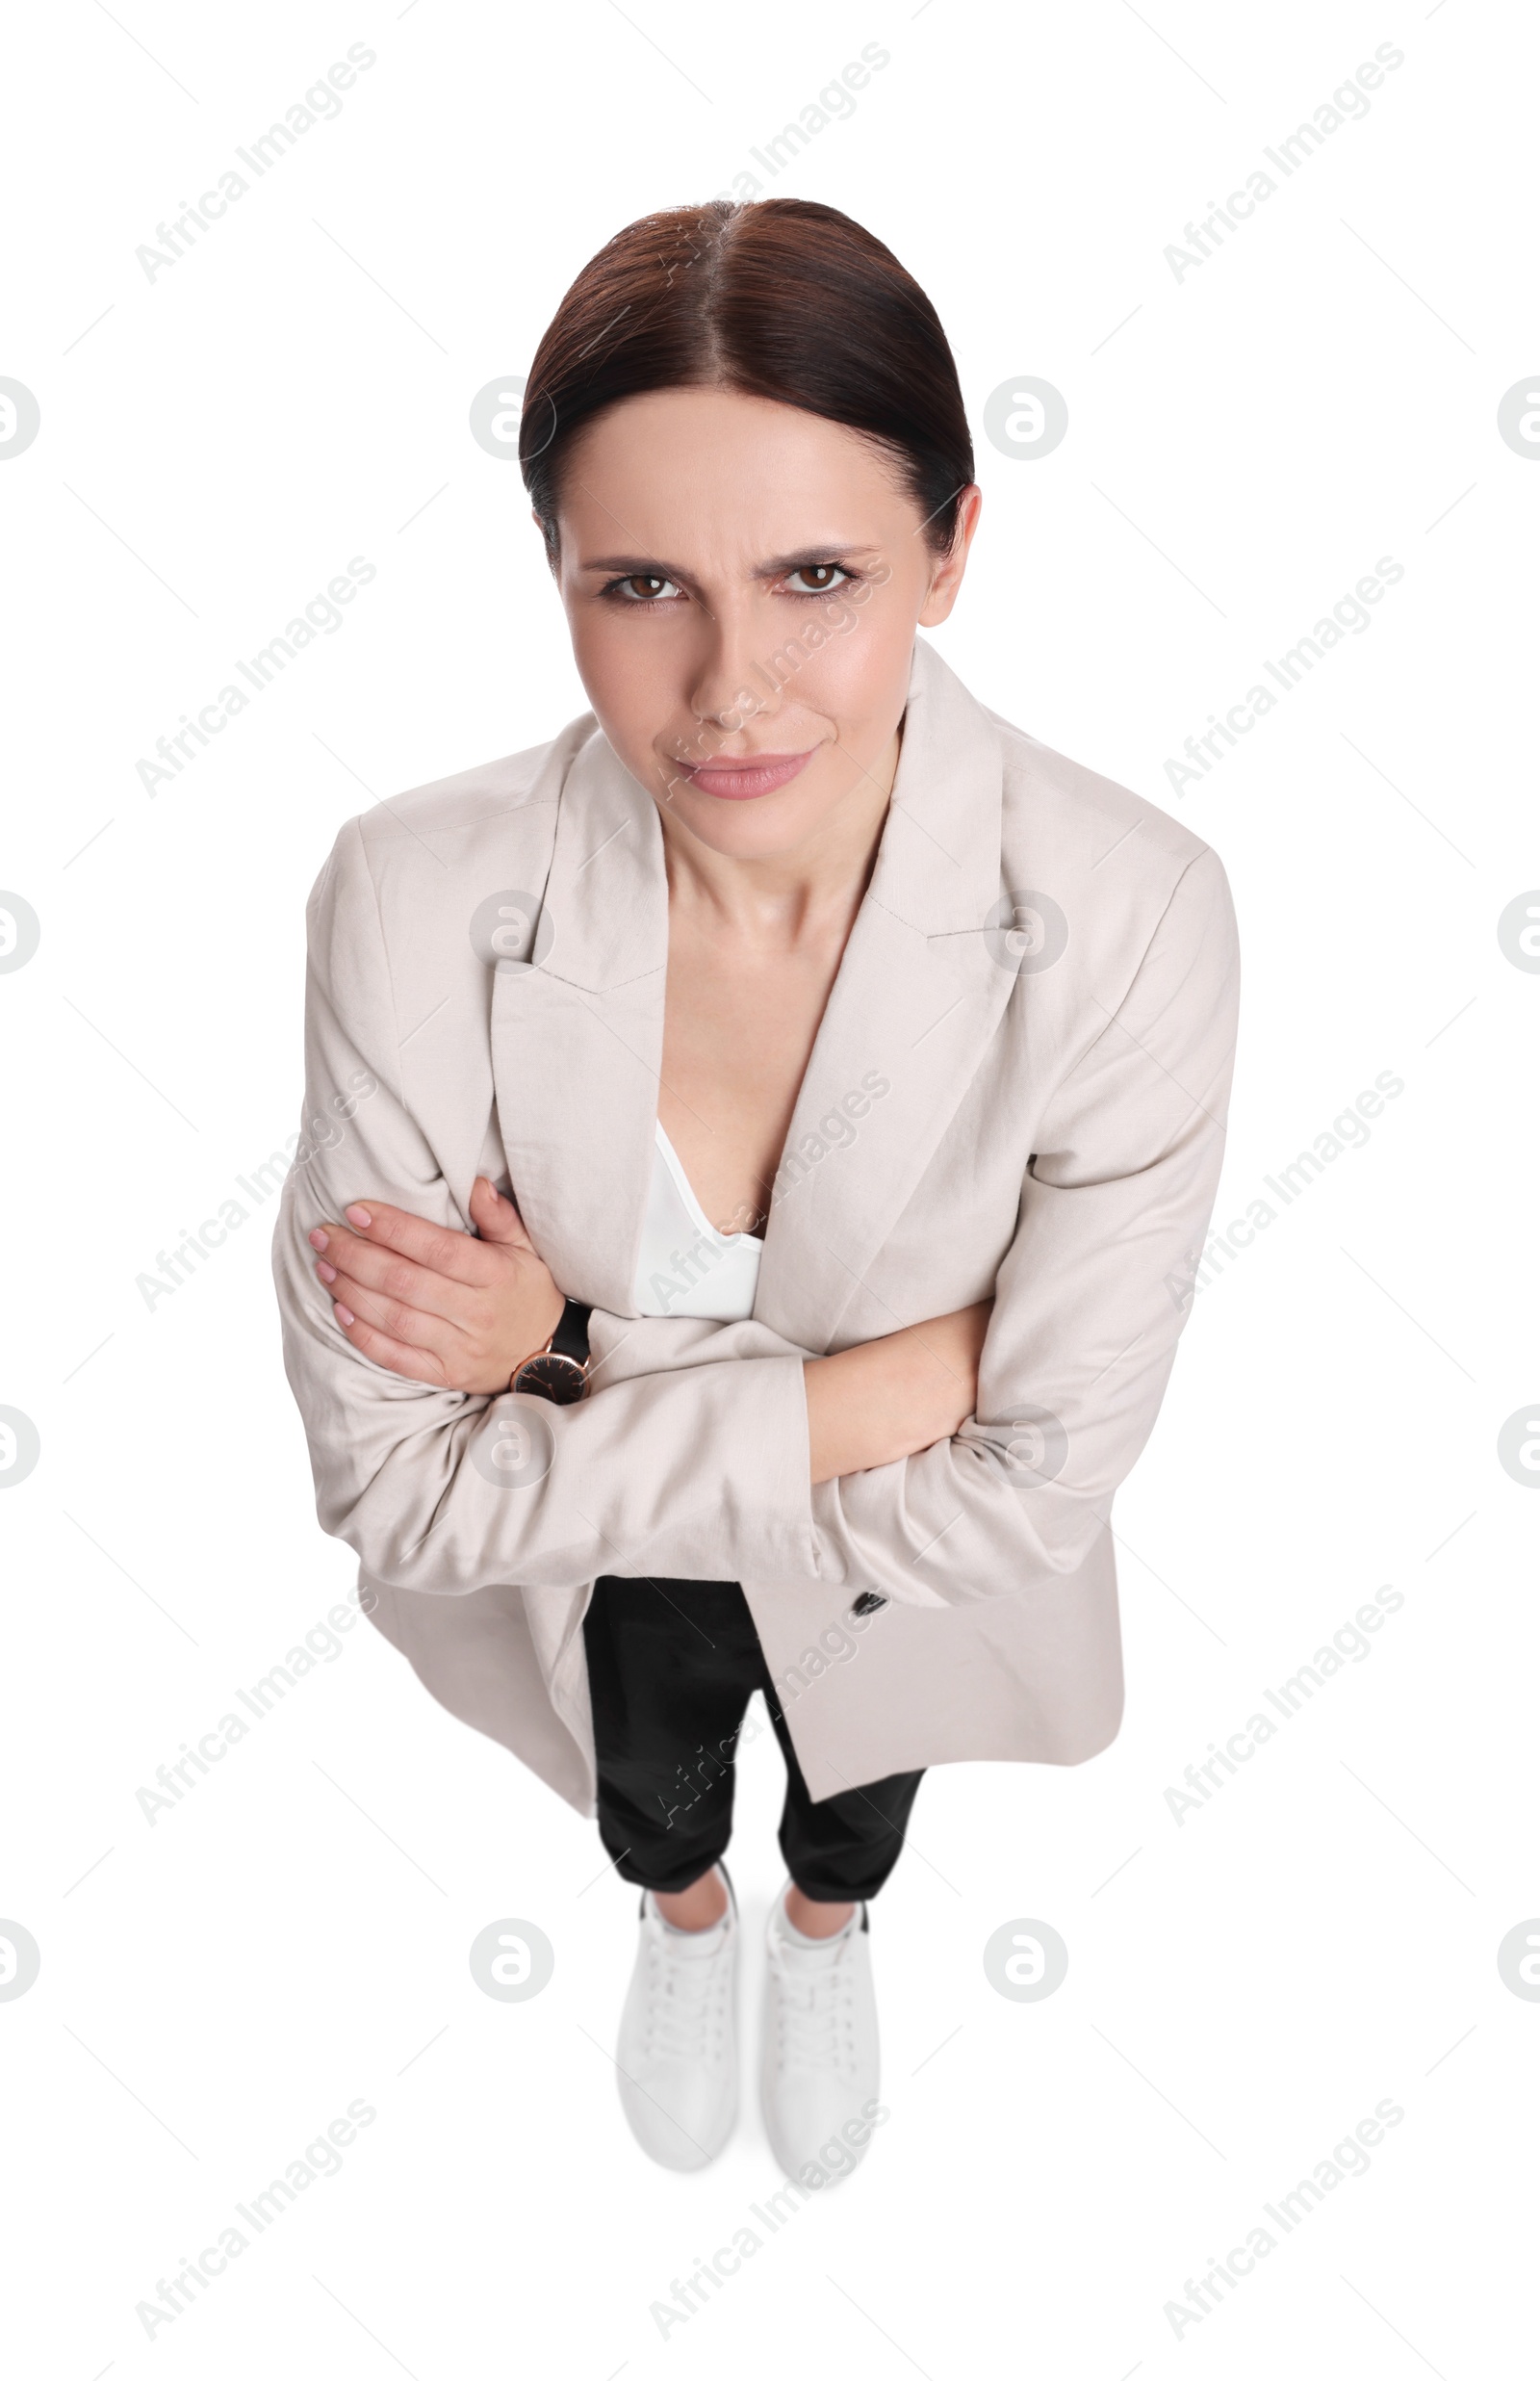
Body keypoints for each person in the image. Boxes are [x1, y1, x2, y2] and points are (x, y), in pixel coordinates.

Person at [272, 197, 1240, 2188]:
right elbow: (400, 1489)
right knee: (647, 1789)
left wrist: (555, 1347)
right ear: (552, 570)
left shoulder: (1129, 912)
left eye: (814, 574)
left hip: (892, 1577)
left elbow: (1029, 1487)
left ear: (953, 551)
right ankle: (682, 1921)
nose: (728, 687)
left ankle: (817, 1929)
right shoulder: (413, 892)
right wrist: (884, 1384)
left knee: (854, 1799)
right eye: (642, 582)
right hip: (610, 1577)